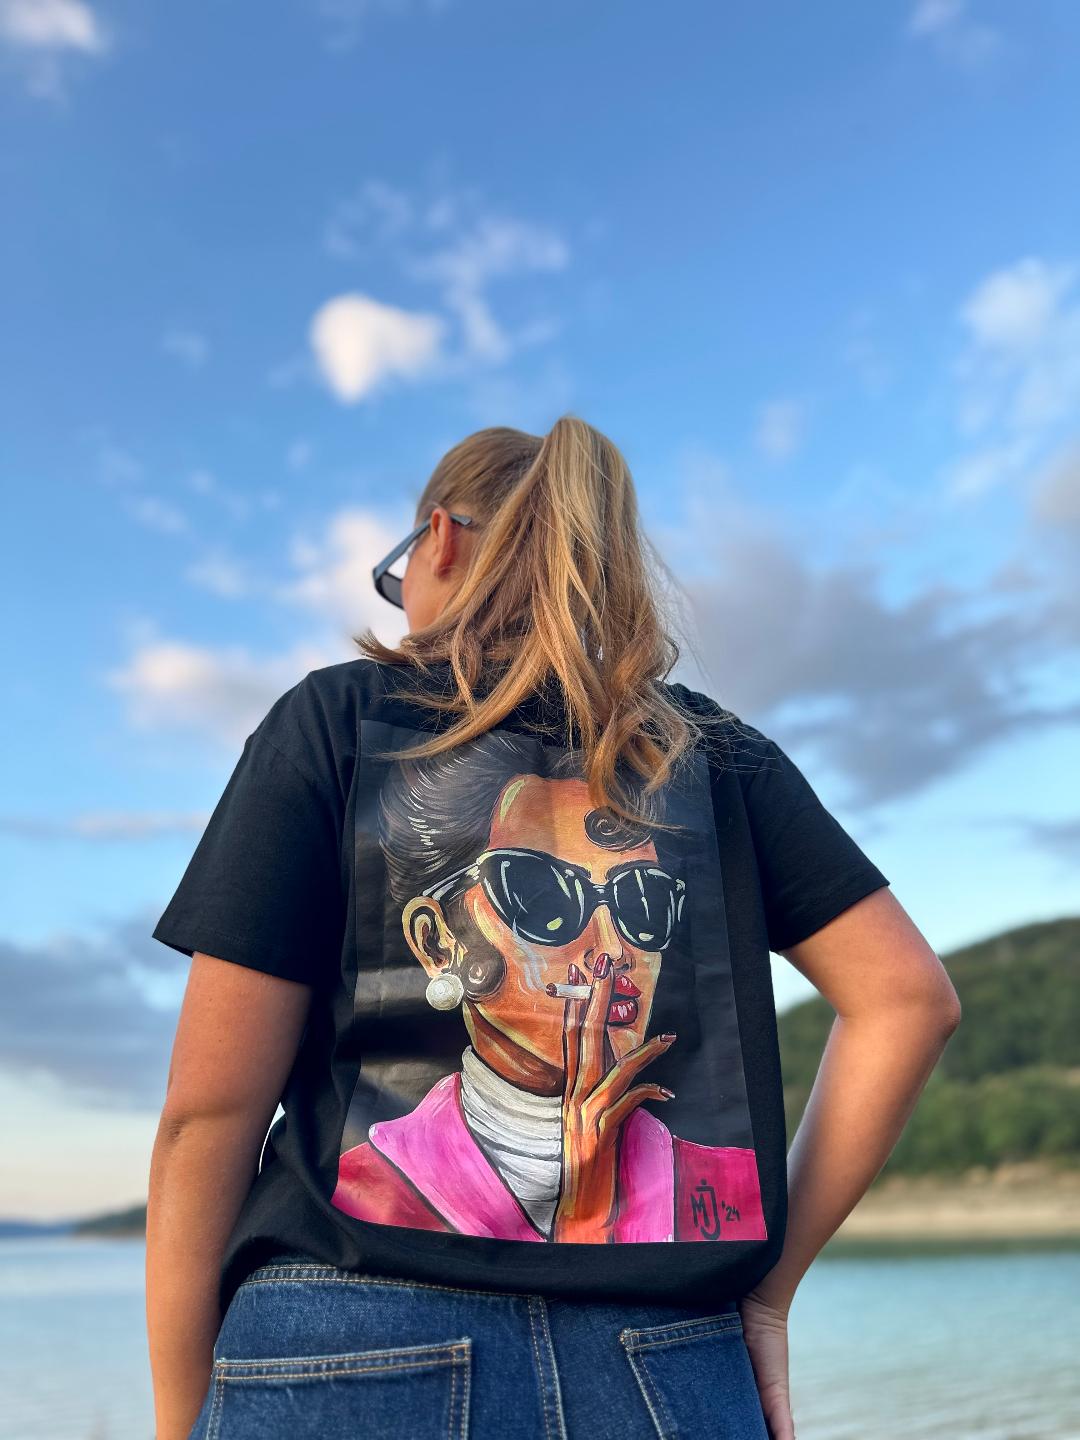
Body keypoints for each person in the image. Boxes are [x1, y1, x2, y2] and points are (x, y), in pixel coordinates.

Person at [146, 417, 961, 1440]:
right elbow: (907, 1000)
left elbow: (207, 1119)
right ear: (438, 939)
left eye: (644, 904)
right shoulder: (714, 752)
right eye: (541, 895)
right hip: (672, 1357)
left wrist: (178, 1415)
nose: (607, 947)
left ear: (439, 543)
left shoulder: (335, 719)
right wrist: (767, 1290)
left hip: (344, 1336)